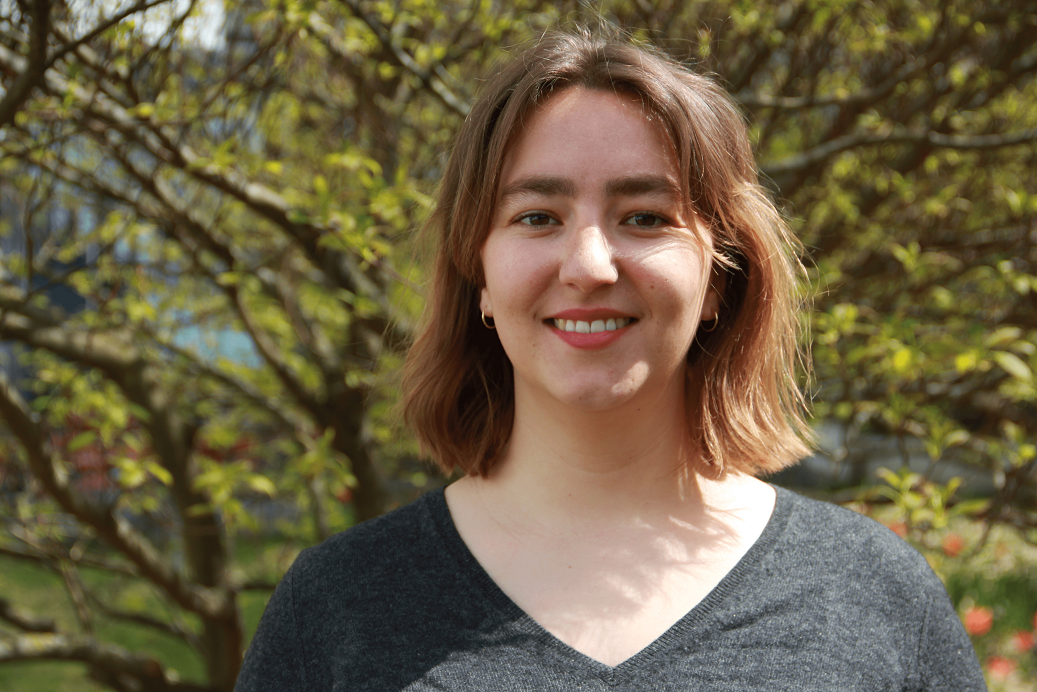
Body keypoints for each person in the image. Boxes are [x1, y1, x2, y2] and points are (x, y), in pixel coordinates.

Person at [234, 31, 986, 691]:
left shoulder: (874, 595)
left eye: (644, 218)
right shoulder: (336, 606)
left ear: (719, 279)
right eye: (537, 216)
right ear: (479, 276)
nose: (590, 265)